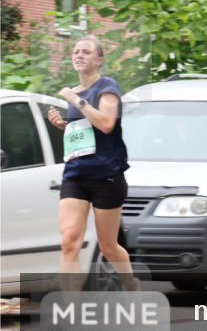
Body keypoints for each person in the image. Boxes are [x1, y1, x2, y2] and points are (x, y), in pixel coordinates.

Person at [45, 36, 138, 291]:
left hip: (107, 176)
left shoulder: (107, 87)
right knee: (69, 241)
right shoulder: (74, 93)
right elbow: (85, 133)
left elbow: (107, 123)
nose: (79, 55)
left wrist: (76, 101)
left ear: (99, 60)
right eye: (76, 51)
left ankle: (130, 284)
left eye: (86, 52)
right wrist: (64, 126)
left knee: (108, 247)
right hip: (75, 174)